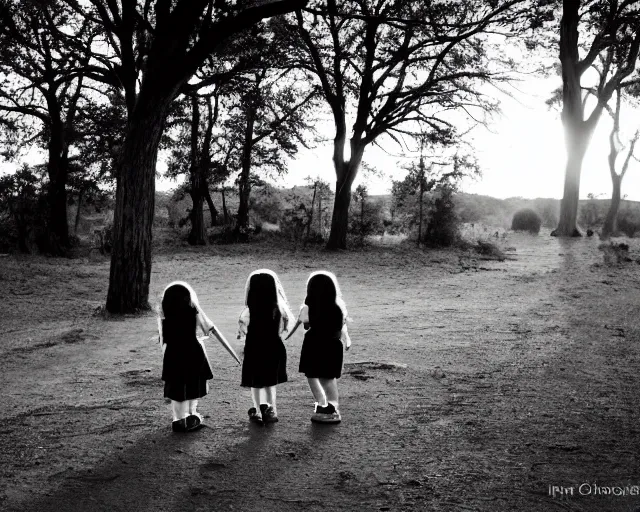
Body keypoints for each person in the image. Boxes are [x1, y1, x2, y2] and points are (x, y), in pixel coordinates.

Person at [158, 281, 238, 432]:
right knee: (192, 384)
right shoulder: (193, 310)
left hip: (173, 354)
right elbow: (207, 328)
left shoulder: (164, 316)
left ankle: (180, 418)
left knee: (178, 387)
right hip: (192, 351)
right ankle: (188, 415)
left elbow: (163, 340)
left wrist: (166, 357)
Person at [286, 271, 351, 424]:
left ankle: (326, 404)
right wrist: (346, 339)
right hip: (331, 345)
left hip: (314, 344)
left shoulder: (310, 307)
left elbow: (307, 325)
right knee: (327, 377)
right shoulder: (337, 308)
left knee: (314, 375)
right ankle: (328, 405)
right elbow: (340, 326)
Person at [237, 269, 294, 424]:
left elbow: (243, 328)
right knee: (269, 382)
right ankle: (270, 408)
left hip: (254, 347)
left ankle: (257, 409)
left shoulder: (249, 311)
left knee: (255, 382)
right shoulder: (278, 308)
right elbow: (285, 327)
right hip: (273, 347)